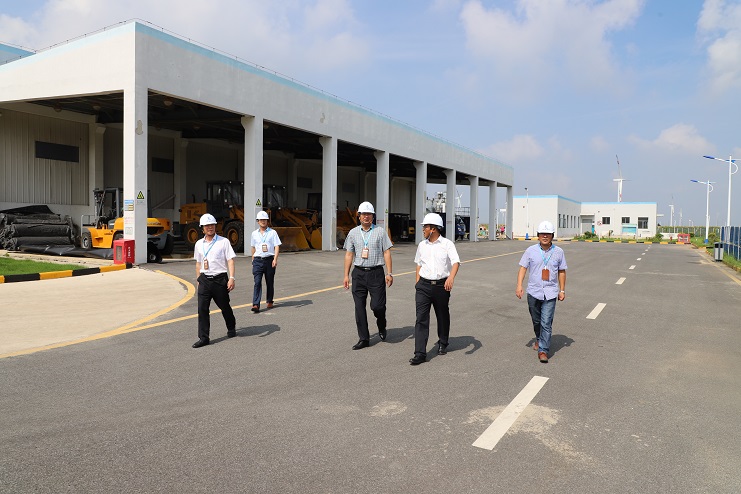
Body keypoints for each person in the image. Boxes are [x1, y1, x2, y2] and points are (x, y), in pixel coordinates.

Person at [410, 213, 460, 365]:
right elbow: (418, 264)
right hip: (423, 286)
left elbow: (456, 262)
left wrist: (451, 278)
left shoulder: (447, 244)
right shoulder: (422, 245)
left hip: (441, 286)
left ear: (433, 229)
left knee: (442, 315)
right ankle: (420, 353)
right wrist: (418, 283)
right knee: (421, 319)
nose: (423, 229)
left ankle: (443, 342)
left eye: (425, 227)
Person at [343, 201, 393, 350]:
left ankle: (381, 324)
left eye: (369, 214)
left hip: (376, 273)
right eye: (364, 214)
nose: (366, 217)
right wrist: (346, 275)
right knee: (359, 307)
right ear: (359, 216)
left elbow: (386, 252)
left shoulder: (380, 232)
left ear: (373, 216)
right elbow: (349, 254)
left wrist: (389, 273)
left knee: (377, 306)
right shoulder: (353, 233)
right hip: (358, 274)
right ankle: (364, 338)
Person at [515, 220, 567, 363]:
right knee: (536, 320)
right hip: (534, 291)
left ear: (552, 236)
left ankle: (543, 350)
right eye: (542, 234)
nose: (545, 236)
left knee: (546, 322)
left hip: (550, 292)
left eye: (548, 234)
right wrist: (519, 286)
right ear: (538, 235)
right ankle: (539, 338)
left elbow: (562, 271)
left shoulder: (559, 252)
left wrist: (562, 290)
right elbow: (523, 268)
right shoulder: (530, 250)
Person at [192, 213, 237, 348]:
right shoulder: (199, 244)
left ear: (215, 226)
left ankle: (231, 327)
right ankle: (203, 338)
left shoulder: (224, 242)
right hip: (204, 280)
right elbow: (198, 263)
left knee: (225, 307)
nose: (210, 227)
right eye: (207, 226)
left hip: (220, 280)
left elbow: (230, 261)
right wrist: (198, 279)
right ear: (202, 228)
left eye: (212, 225)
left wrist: (231, 278)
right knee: (202, 309)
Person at [250, 210, 282, 313]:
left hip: (269, 260)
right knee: (257, 282)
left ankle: (269, 300)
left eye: (265, 220)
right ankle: (256, 304)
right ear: (258, 221)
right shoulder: (254, 234)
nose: (263, 221)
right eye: (261, 220)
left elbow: (276, 246)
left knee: (269, 282)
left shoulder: (273, 233)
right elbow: (253, 247)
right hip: (258, 260)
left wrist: (275, 259)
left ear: (267, 221)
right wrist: (253, 259)